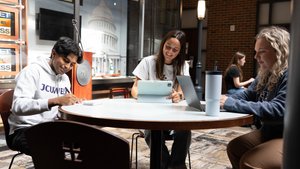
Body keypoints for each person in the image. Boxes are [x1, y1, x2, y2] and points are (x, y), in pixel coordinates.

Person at [220, 26, 289, 169]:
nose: (255, 57)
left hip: (288, 137)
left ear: (280, 51)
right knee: (234, 148)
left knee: (250, 162)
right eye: (256, 52)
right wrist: (223, 99)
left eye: (261, 52)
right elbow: (248, 94)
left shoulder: (290, 74)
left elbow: (278, 110)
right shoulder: (265, 72)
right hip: (269, 131)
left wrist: (231, 104)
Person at [8, 37, 83, 155]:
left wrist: (74, 104)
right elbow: (17, 106)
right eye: (65, 60)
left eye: (72, 64)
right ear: (53, 53)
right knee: (52, 150)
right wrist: (55, 100)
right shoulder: (31, 71)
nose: (67, 67)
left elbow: (61, 108)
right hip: (24, 129)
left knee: (88, 139)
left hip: (50, 127)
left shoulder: (64, 79)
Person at [131, 30, 191, 169]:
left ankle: (175, 166)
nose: (170, 52)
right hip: (149, 115)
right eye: (167, 46)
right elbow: (134, 88)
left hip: (173, 116)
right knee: (151, 132)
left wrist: (179, 96)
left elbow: (184, 93)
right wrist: (143, 94)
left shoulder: (183, 66)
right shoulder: (148, 61)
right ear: (162, 44)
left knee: (185, 131)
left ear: (180, 52)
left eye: (175, 50)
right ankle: (164, 165)